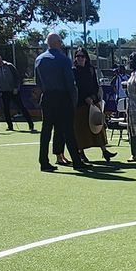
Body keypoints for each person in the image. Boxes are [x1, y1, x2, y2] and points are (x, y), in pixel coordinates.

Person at [35, 32, 83, 172]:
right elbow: (70, 83)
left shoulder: (39, 59)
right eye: (60, 41)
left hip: (47, 97)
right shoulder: (63, 59)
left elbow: (38, 81)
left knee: (46, 131)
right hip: (63, 97)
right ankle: (76, 161)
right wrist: (73, 100)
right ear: (57, 42)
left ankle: (43, 161)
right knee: (68, 130)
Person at [70, 48, 117, 164]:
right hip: (80, 104)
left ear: (86, 58)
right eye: (78, 56)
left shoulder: (91, 69)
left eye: (82, 56)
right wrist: (84, 99)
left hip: (93, 102)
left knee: (99, 127)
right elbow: (75, 88)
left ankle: (105, 151)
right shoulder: (73, 71)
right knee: (81, 129)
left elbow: (95, 85)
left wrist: (94, 97)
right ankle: (81, 153)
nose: (80, 58)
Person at [0, 53, 25, 131]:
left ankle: (30, 124)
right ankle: (10, 126)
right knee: (6, 109)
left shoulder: (9, 65)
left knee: (21, 107)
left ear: (0, 58)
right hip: (4, 91)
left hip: (13, 91)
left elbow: (17, 77)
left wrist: (16, 88)